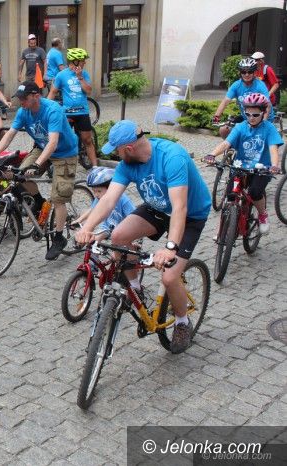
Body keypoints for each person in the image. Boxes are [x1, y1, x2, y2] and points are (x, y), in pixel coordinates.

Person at [75, 120, 211, 354]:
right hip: (158, 209)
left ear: (128, 148)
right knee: (119, 236)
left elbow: (180, 208)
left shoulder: (172, 157)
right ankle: (135, 287)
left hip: (190, 215)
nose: (116, 155)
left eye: (117, 150)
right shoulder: (127, 164)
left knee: (169, 277)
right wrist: (87, 227)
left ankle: (182, 322)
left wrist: (170, 248)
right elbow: (108, 200)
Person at [0, 81, 79, 260]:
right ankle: (39, 203)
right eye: (19, 98)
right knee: (19, 176)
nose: (21, 102)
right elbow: (9, 135)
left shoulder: (53, 110)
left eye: (24, 98)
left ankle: (59, 237)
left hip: (64, 153)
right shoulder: (23, 111)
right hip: (41, 148)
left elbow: (53, 142)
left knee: (58, 198)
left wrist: (37, 164)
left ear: (36, 96)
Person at [205, 93, 282, 234]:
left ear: (263, 113)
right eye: (248, 114)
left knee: (255, 192)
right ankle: (224, 227)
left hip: (261, 169)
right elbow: (226, 143)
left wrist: (274, 165)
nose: (251, 118)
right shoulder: (240, 127)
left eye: (255, 115)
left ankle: (263, 215)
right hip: (240, 166)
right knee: (230, 195)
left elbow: (273, 149)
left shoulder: (269, 128)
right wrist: (212, 154)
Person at [49, 47, 98, 167]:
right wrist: (46, 108)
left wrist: (80, 77)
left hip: (82, 113)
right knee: (60, 140)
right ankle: (57, 165)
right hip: (67, 114)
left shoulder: (84, 74)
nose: (84, 62)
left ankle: (95, 167)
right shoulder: (61, 75)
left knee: (87, 140)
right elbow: (52, 92)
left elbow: (88, 91)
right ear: (75, 61)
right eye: (83, 60)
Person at [214, 57, 272, 139]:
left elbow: (267, 105)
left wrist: (264, 122)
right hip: (247, 117)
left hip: (263, 117)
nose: (246, 74)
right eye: (243, 72)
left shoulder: (260, 85)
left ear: (254, 72)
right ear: (240, 73)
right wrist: (216, 117)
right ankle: (230, 146)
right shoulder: (236, 85)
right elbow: (225, 101)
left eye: (250, 72)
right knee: (224, 129)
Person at [74, 167, 136, 241]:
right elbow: (91, 210)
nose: (96, 195)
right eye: (94, 191)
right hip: (106, 227)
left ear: (111, 188)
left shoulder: (123, 200)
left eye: (99, 191)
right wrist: (79, 220)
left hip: (123, 229)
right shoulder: (99, 198)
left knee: (119, 244)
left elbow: (134, 218)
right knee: (92, 241)